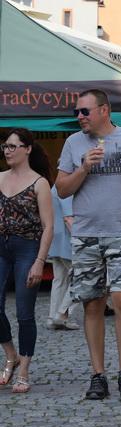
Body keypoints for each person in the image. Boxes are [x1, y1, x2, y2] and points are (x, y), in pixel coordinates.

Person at [56, 90, 121, 401]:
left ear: (104, 110)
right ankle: (98, 374)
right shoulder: (73, 143)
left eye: (85, 111)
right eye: (77, 112)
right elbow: (61, 189)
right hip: (86, 234)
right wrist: (83, 168)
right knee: (92, 303)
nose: (79, 117)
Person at [0, 129, 54, 393]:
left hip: (27, 249)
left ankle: (24, 370)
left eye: (13, 146)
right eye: (5, 146)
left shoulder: (39, 183)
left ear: (27, 149)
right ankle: (11, 354)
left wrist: (39, 261)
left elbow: (48, 226)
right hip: (1, 247)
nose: (7, 151)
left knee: (24, 312)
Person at [47, 185, 79, 330]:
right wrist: (82, 240)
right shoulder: (67, 186)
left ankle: (52, 317)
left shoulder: (55, 187)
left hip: (57, 239)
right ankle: (62, 314)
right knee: (81, 277)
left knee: (59, 279)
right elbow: (68, 218)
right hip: (68, 241)